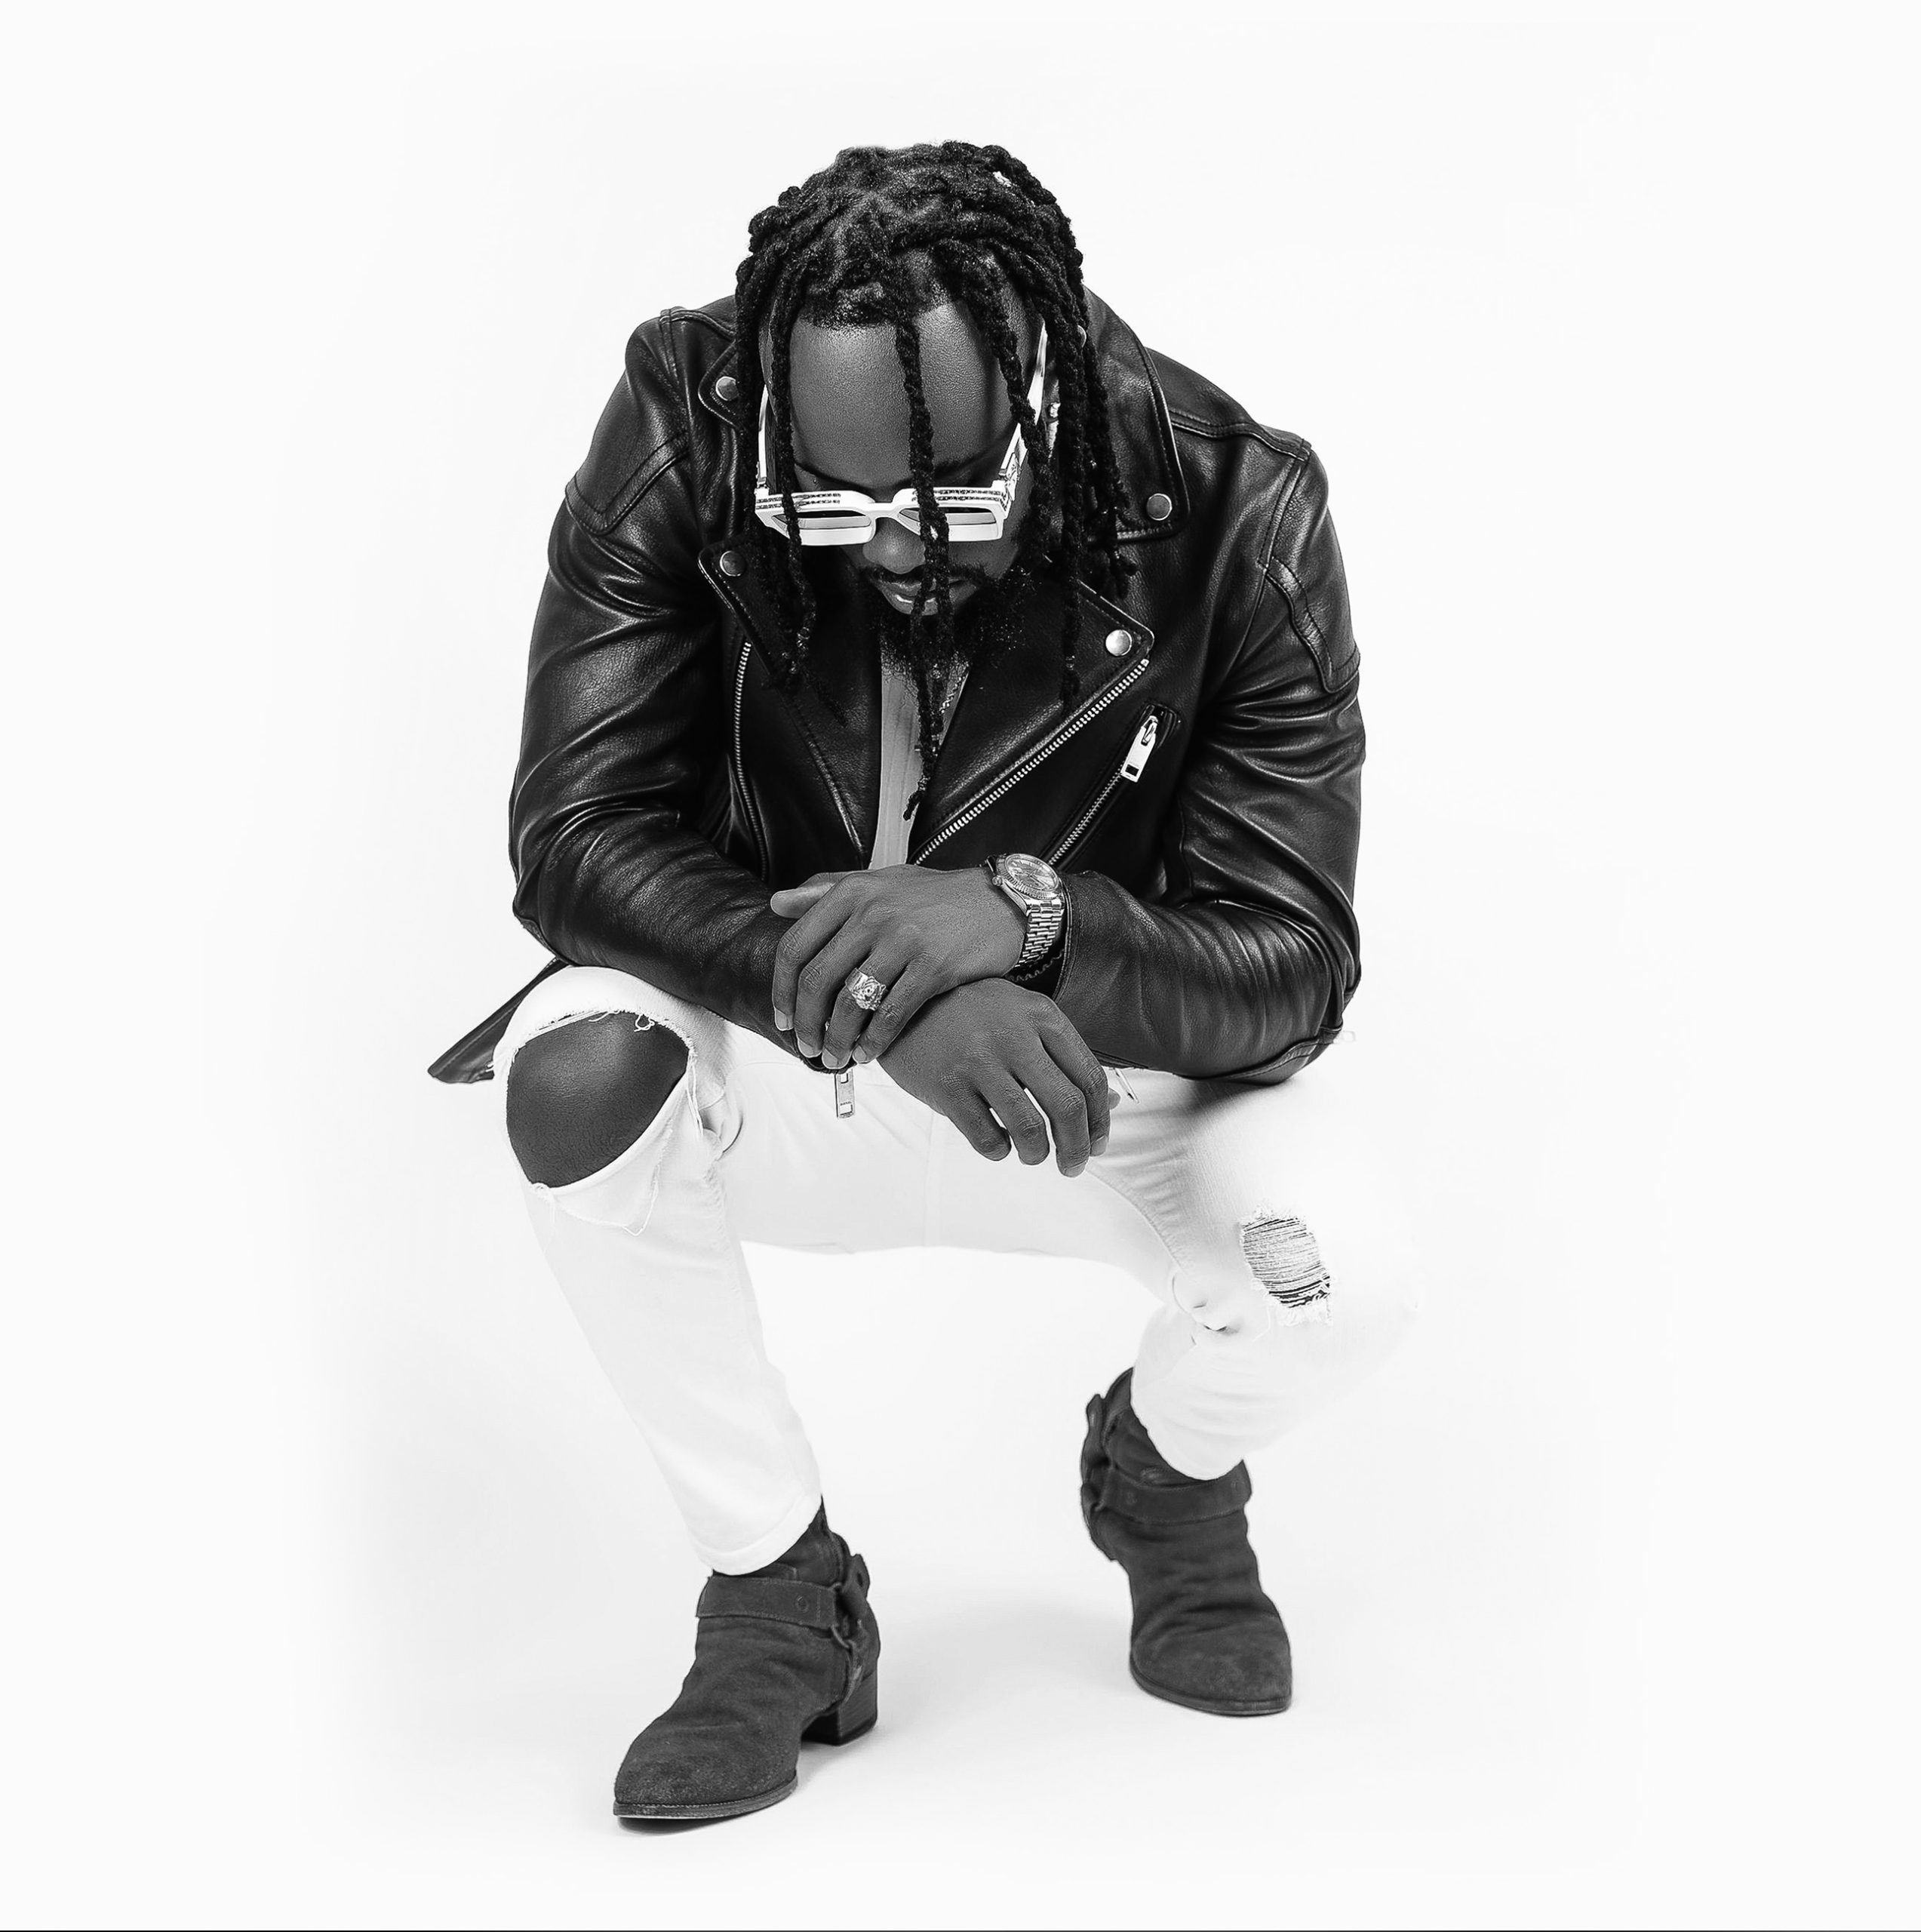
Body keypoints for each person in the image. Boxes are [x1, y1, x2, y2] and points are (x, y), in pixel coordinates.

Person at [430, 141, 1417, 1823]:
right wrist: (895, 991)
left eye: (953, 496)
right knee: (580, 1064)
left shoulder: (1236, 503)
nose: (894, 549)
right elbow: (576, 834)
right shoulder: (686, 417)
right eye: (832, 504)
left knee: (1355, 1274)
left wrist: (1028, 920)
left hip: (1093, 1086)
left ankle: (1166, 1473)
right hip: (790, 1048)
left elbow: (1293, 963)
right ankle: (779, 1593)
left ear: (1046, 396)